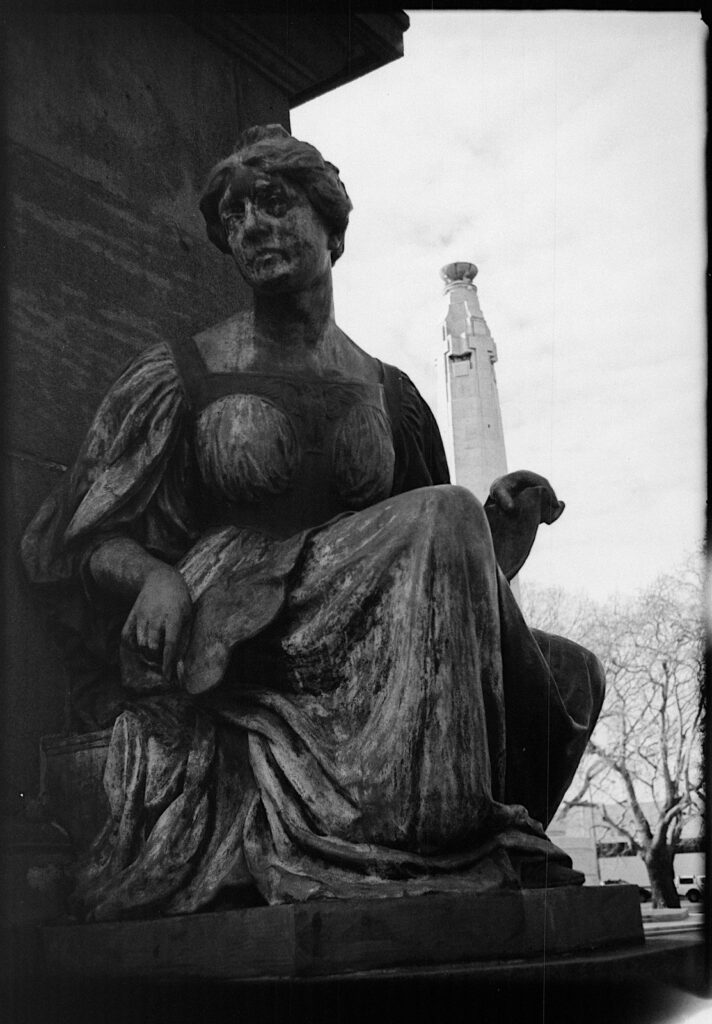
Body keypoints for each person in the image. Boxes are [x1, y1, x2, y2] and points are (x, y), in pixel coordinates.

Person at [22, 125, 604, 921]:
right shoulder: (183, 372)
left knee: (571, 673)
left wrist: (505, 534)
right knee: (442, 512)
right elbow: (82, 537)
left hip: (357, 624)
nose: (251, 225)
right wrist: (153, 575)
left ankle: (437, 832)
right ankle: (420, 840)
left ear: (332, 225)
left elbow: (440, 591)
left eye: (273, 202)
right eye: (232, 215)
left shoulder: (389, 393)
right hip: (242, 624)